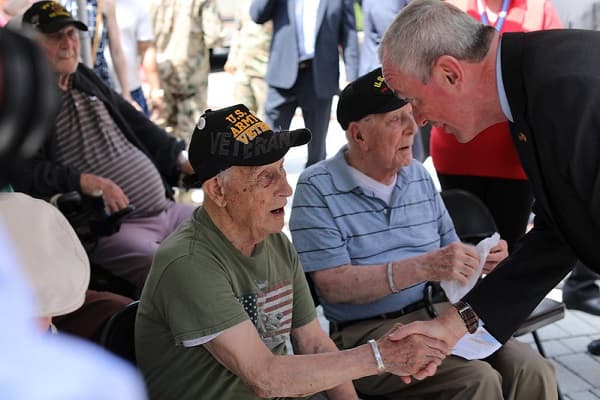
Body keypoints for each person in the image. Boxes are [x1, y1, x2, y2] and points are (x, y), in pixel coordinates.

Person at [135, 103, 450, 400]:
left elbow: (313, 344)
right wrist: (379, 357)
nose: (285, 189)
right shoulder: (189, 262)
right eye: (266, 177)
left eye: (282, 169)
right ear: (218, 190)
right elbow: (264, 376)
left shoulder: (274, 242)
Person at [289, 67, 556, 399]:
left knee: (534, 369)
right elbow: (333, 286)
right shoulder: (317, 187)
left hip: (440, 315)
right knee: (478, 379)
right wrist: (425, 266)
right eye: (396, 120)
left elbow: (449, 251)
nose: (413, 129)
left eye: (410, 116)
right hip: (367, 334)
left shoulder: (416, 174)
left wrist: (478, 259)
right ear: (358, 135)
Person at [378, 0, 600, 371]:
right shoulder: (530, 84)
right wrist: (453, 325)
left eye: (414, 101)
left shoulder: (566, 89)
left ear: (450, 73)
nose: (418, 120)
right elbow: (559, 234)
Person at [12, 1, 195, 295]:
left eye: (71, 34)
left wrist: (179, 157)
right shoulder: (25, 98)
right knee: (167, 269)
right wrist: (82, 181)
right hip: (113, 227)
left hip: (165, 209)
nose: (68, 43)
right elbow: (22, 170)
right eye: (56, 36)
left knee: (225, 228)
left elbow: (137, 123)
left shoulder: (82, 76)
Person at [429, 0, 562, 252]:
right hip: (456, 153)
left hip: (513, 158)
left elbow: (552, 70)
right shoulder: (449, 6)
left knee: (505, 253)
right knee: (457, 251)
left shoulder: (537, 7)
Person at [250, 0, 359, 167]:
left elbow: (349, 34)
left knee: (317, 152)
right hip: (282, 76)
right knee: (268, 147)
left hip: (319, 77)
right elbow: (257, 15)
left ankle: (313, 190)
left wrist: (352, 76)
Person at [150, 0, 222, 145]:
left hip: (162, 71)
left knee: (164, 128)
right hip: (192, 74)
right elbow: (213, 37)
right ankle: (188, 165)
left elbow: (147, 33)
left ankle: (168, 164)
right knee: (193, 132)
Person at [63, 0, 133, 102]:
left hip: (99, 79)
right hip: (69, 80)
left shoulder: (104, 3)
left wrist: (126, 93)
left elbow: (116, 49)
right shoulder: (60, 3)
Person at [110, 0, 163, 117]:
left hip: (131, 92)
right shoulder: (84, 6)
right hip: (97, 92)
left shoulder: (137, 5)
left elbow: (147, 49)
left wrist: (156, 91)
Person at [224, 0, 272, 119]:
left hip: (264, 70)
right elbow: (239, 30)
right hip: (243, 69)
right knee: (241, 119)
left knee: (265, 119)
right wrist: (232, 57)